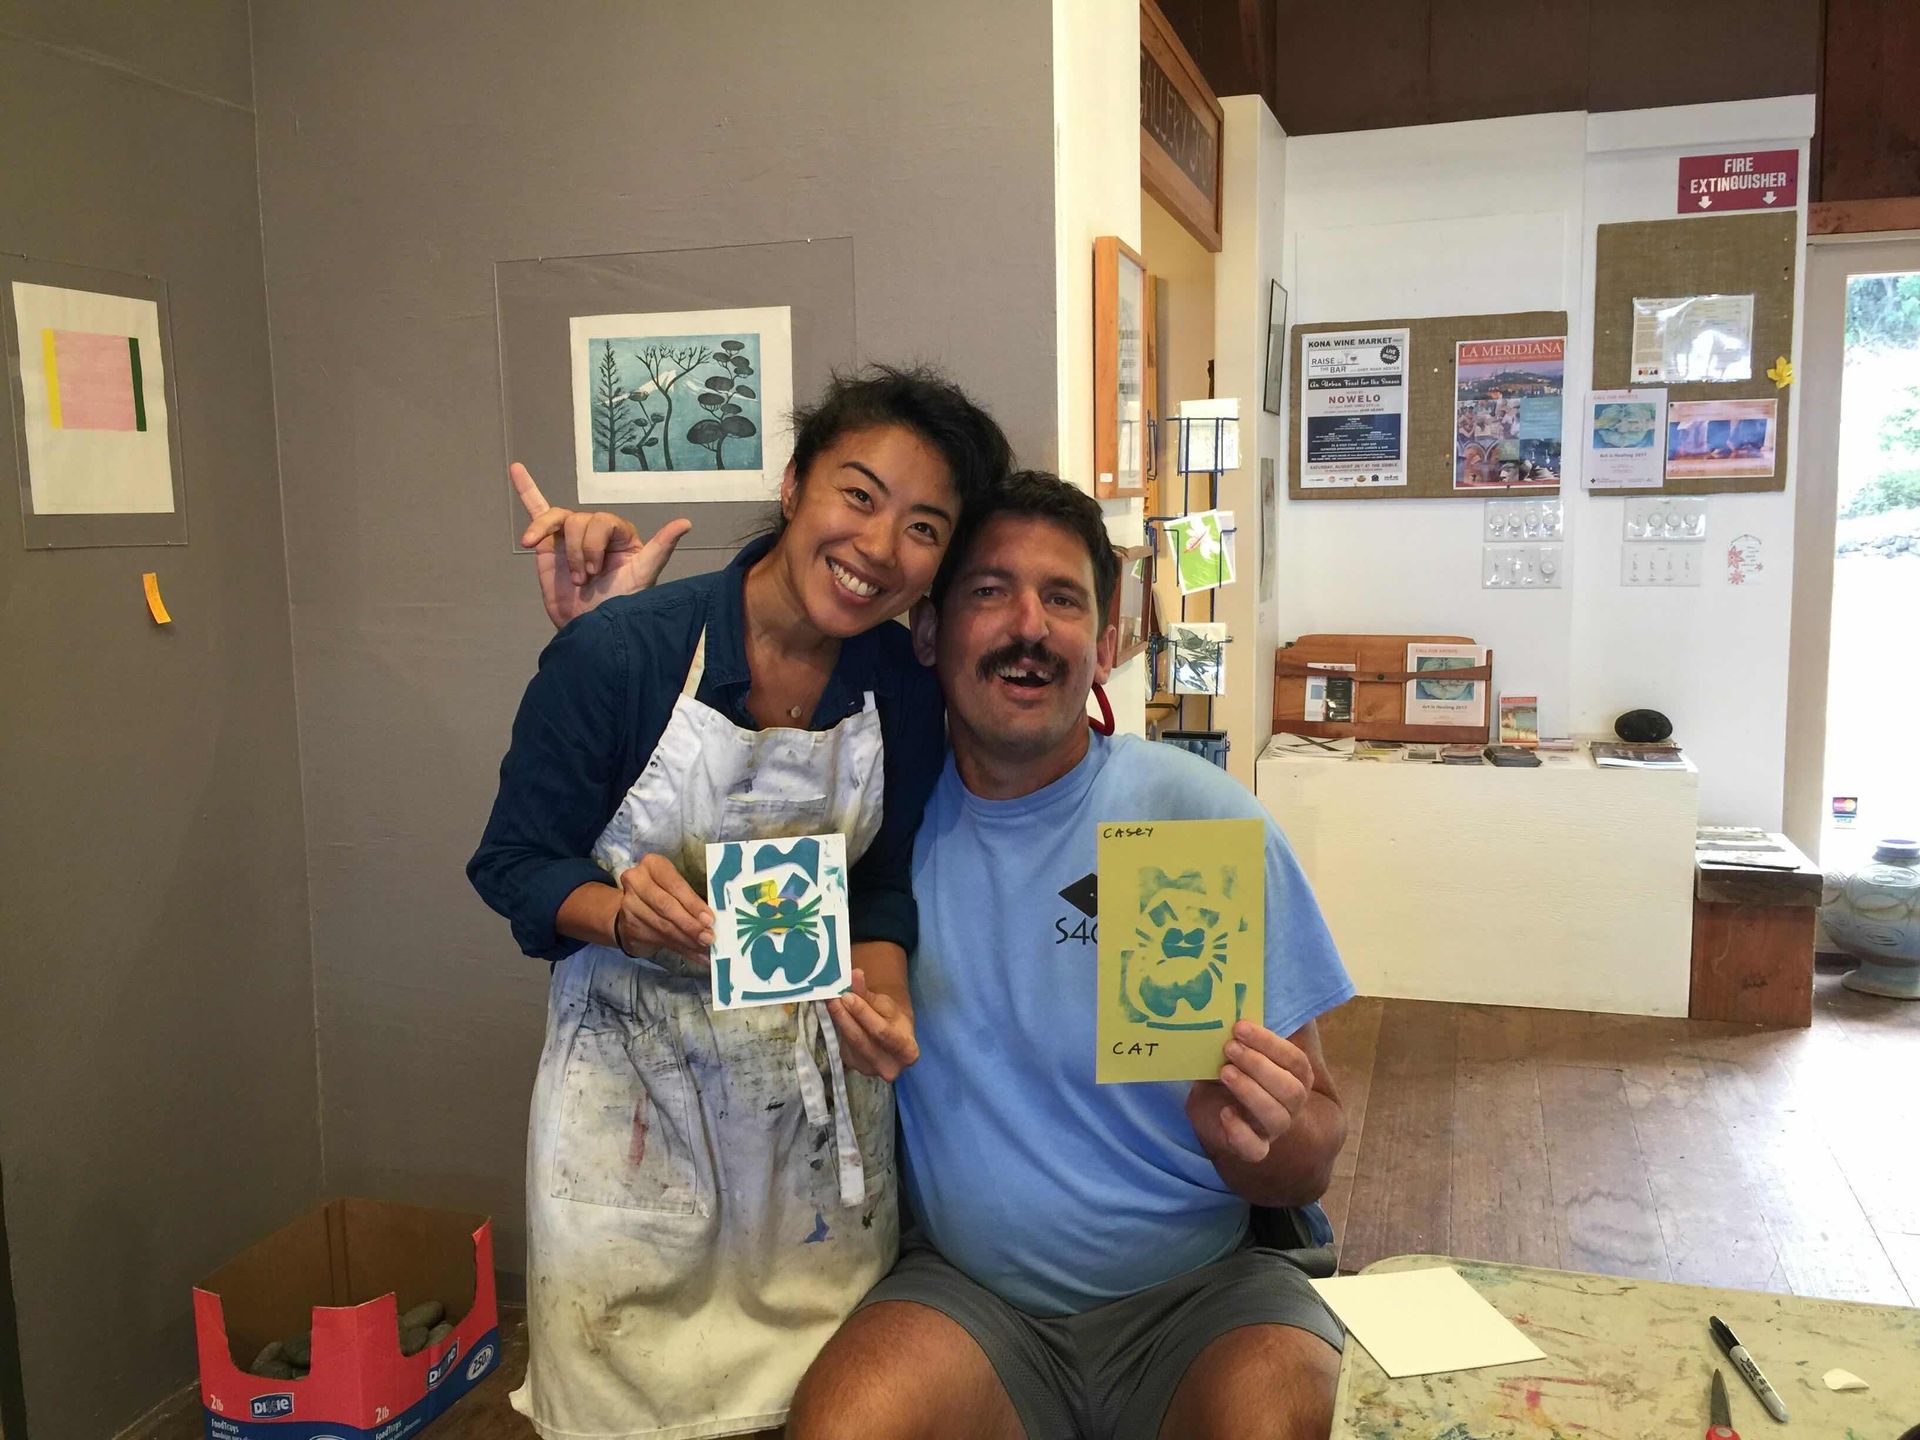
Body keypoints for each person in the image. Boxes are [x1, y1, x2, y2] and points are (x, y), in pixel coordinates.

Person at [538, 472, 1357, 1440]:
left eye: (1063, 600)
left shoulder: (1199, 819)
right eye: (986, 592)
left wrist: (1256, 1140)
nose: (1027, 625)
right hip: (971, 1302)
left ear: (1102, 647)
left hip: (1207, 1296)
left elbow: (1311, 1159)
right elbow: (652, 819)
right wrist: (597, 639)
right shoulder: (864, 828)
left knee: (1284, 1423)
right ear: (926, 635)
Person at [467, 365, 1011, 1440]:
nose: (877, 547)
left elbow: (884, 878)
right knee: (628, 1407)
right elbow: (514, 861)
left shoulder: (896, 687)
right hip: (631, 1121)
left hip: (810, 1128)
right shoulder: (622, 655)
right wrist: (615, 910)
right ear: (797, 482)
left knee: (815, 1412)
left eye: (923, 528)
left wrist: (884, 989)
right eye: (858, 496)